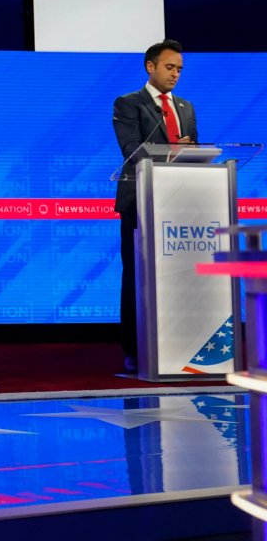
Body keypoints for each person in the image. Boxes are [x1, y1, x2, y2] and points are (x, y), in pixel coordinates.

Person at [112, 39, 196, 373]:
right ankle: (134, 348)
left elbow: (193, 151)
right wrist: (174, 148)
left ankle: (178, 343)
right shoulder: (128, 103)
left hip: (178, 201)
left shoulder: (186, 107)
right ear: (151, 67)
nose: (175, 74)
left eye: (179, 69)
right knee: (136, 274)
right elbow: (131, 149)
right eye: (169, 67)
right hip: (141, 199)